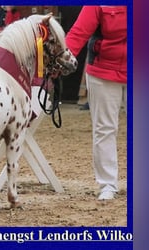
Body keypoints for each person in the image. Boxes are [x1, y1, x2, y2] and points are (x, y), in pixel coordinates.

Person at [65, 6, 127, 200]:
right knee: (105, 128)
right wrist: (61, 60)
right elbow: (78, 32)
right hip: (103, 71)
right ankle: (107, 185)